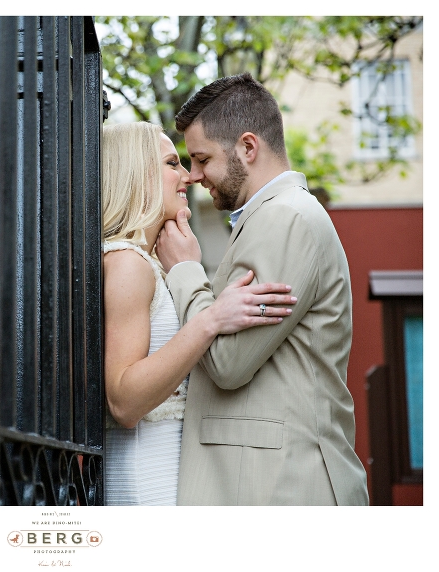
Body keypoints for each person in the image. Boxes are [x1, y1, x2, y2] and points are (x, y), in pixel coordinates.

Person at [155, 72, 370, 505]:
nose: (194, 175)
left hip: (284, 488)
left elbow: (228, 361)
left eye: (202, 159)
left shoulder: (284, 218)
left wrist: (184, 271)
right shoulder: (274, 216)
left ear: (248, 148)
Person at [101, 121, 298, 505]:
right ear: (136, 174)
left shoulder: (143, 263)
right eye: (172, 163)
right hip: (148, 484)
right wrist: (211, 320)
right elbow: (124, 401)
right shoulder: (129, 264)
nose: (187, 176)